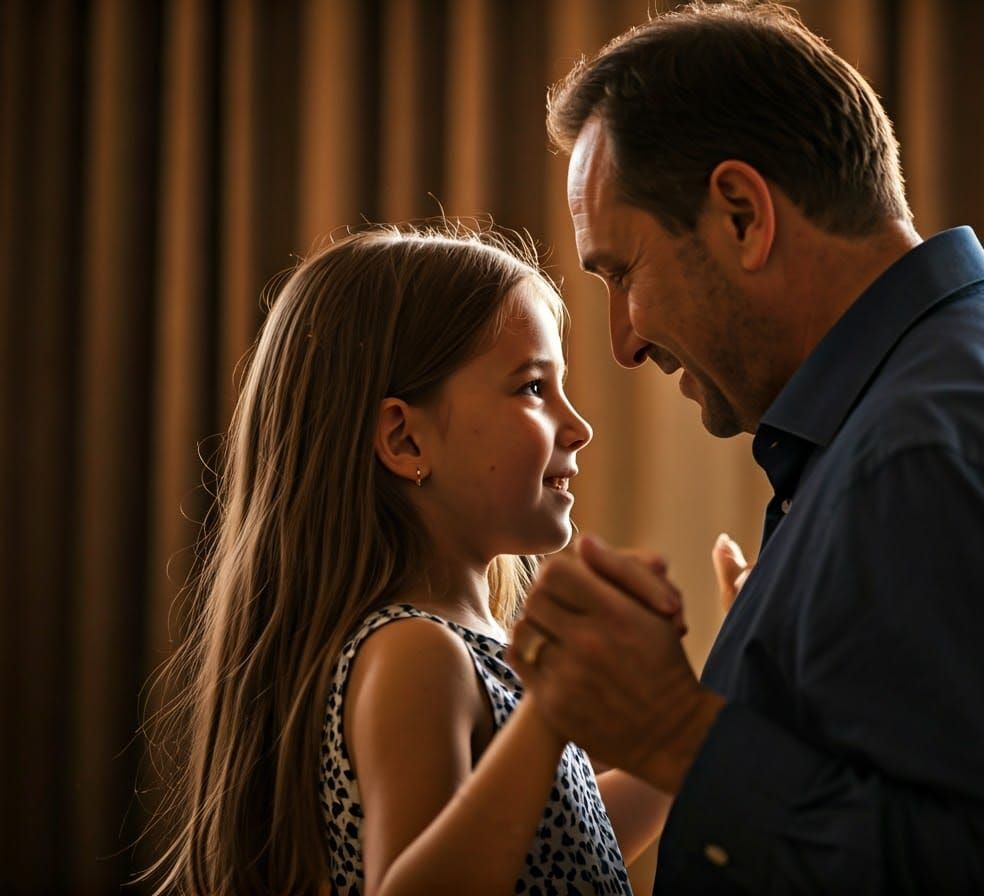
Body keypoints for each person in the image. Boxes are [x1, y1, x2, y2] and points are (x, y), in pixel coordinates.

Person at [507, 2, 984, 893]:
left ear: (742, 215)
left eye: (622, 274)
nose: (624, 342)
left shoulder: (933, 457)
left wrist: (673, 730)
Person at [144, 223, 676, 895]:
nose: (579, 426)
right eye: (533, 388)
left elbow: (557, 837)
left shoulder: (455, 646)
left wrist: (690, 732)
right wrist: (549, 714)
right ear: (404, 439)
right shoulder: (417, 654)